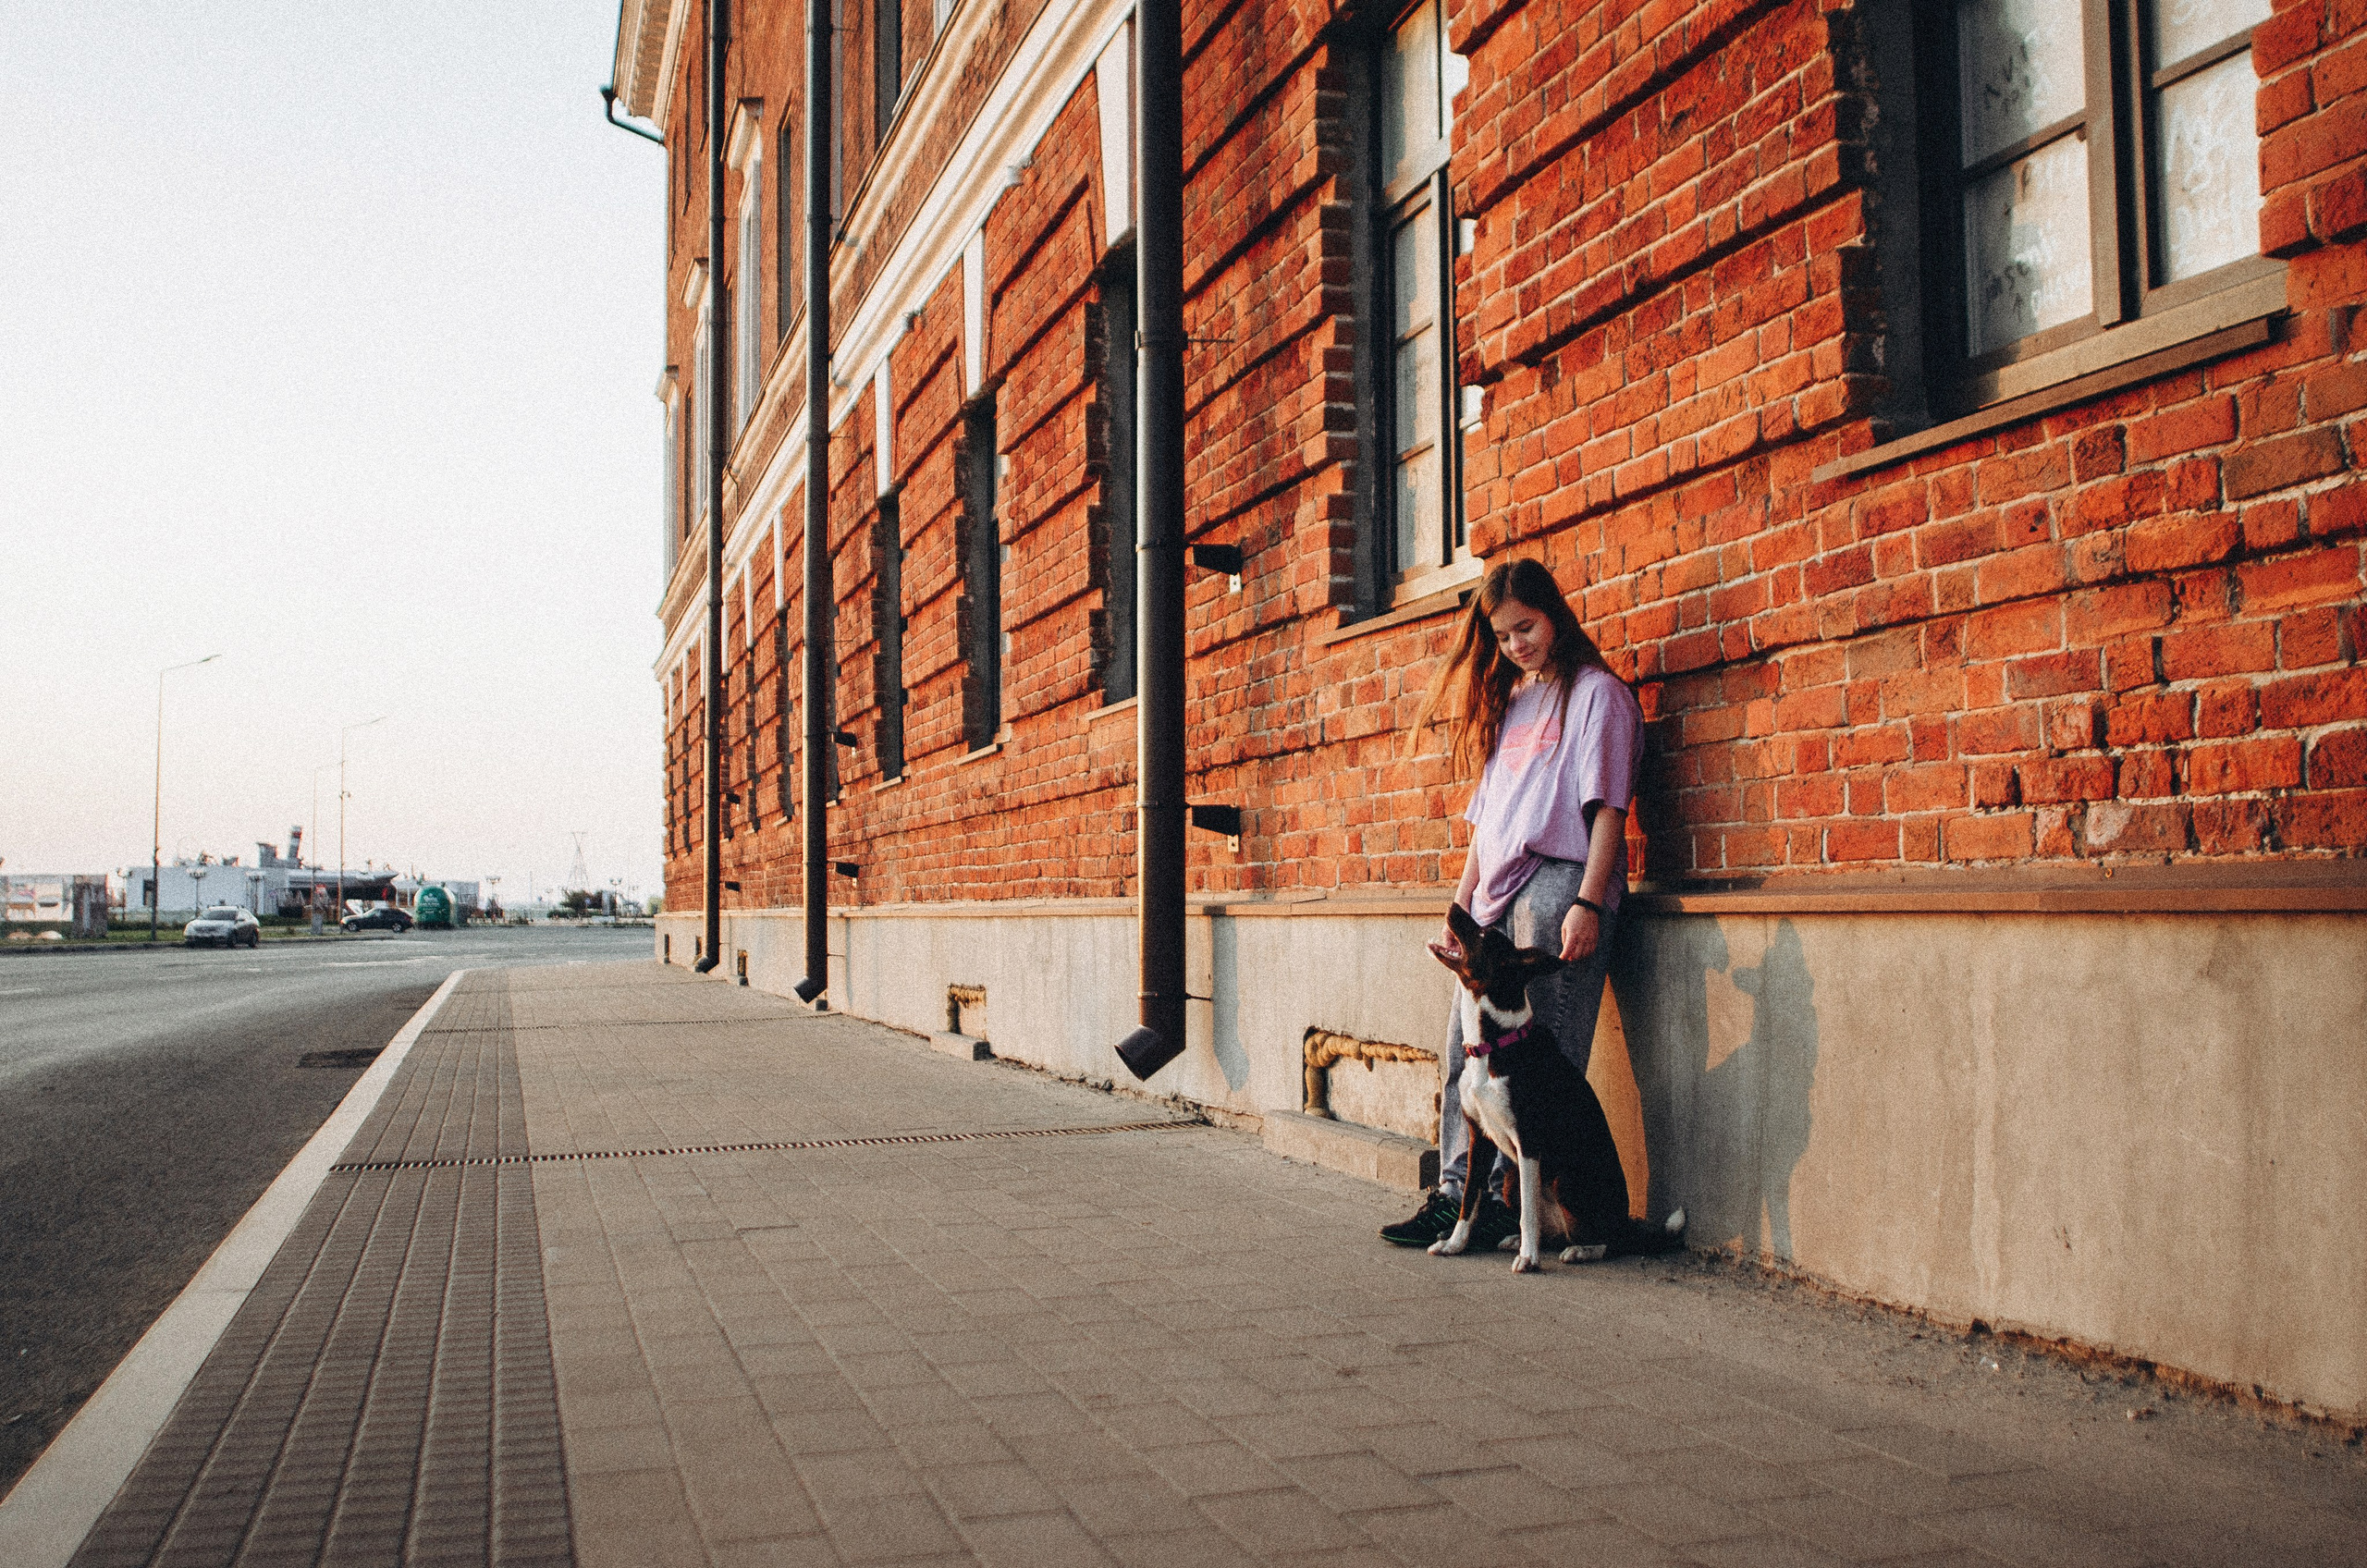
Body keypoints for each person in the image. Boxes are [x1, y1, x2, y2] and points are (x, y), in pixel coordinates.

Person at [1380, 557, 1644, 1249]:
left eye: (1525, 627)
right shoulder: (1515, 702)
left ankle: (1506, 1201)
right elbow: (1486, 824)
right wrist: (1458, 909)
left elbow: (1610, 812)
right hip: (1494, 894)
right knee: (1463, 1052)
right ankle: (1453, 1197)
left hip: (1560, 885)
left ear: (1553, 613)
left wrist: (1588, 902)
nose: (1516, 645)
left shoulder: (1598, 697)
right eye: (1501, 636)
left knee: (1530, 1065)